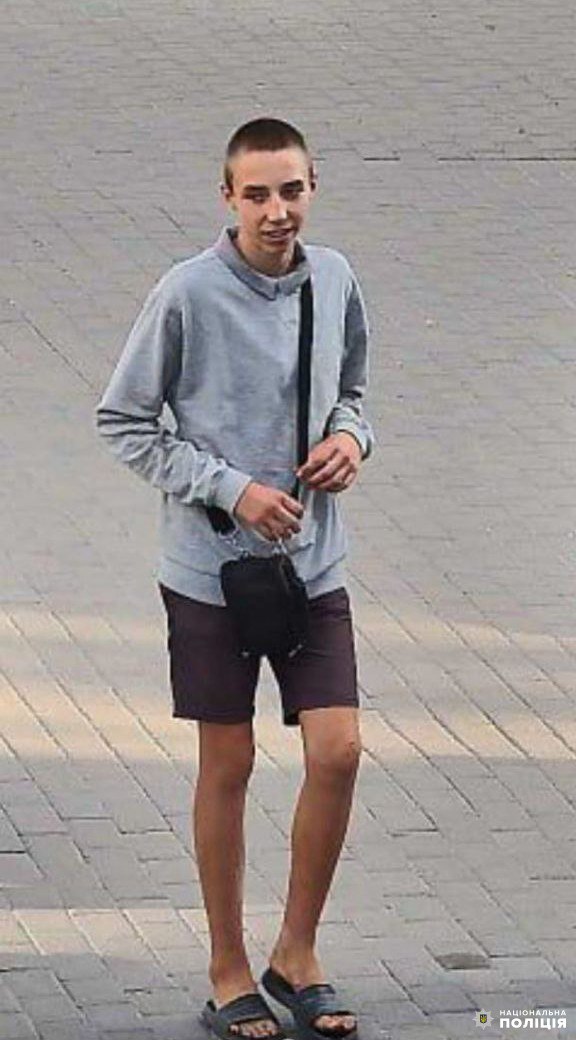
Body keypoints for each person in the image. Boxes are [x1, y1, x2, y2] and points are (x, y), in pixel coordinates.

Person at [96, 117, 374, 1040]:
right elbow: (123, 420)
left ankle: (297, 954)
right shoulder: (186, 293)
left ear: (312, 187)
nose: (275, 210)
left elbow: (355, 393)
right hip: (211, 573)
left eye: (290, 190)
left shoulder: (334, 278)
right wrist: (231, 489)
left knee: (337, 751)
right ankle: (228, 971)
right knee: (230, 762)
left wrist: (351, 439)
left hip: (312, 565)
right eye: (256, 194)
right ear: (228, 198)